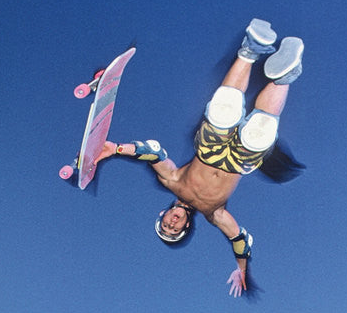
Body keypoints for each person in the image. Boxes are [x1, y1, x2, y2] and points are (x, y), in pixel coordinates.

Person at [95, 18, 304, 297]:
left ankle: (251, 49)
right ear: (185, 225)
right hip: (238, 162)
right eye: (174, 229)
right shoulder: (213, 214)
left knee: (222, 113)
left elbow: (153, 153)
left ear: (163, 214)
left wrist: (116, 149)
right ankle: (284, 77)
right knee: (260, 134)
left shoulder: (173, 181)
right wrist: (242, 269)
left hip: (210, 151)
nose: (171, 223)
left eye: (166, 225)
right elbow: (239, 239)